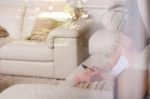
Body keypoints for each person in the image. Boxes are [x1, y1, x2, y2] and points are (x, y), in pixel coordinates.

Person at [74, 34, 139, 86]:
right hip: (109, 74)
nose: (122, 41)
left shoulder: (137, 57)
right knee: (85, 74)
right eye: (122, 38)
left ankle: (89, 78)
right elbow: (110, 64)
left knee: (89, 77)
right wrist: (100, 69)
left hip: (116, 79)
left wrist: (102, 74)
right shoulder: (122, 46)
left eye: (125, 39)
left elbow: (124, 80)